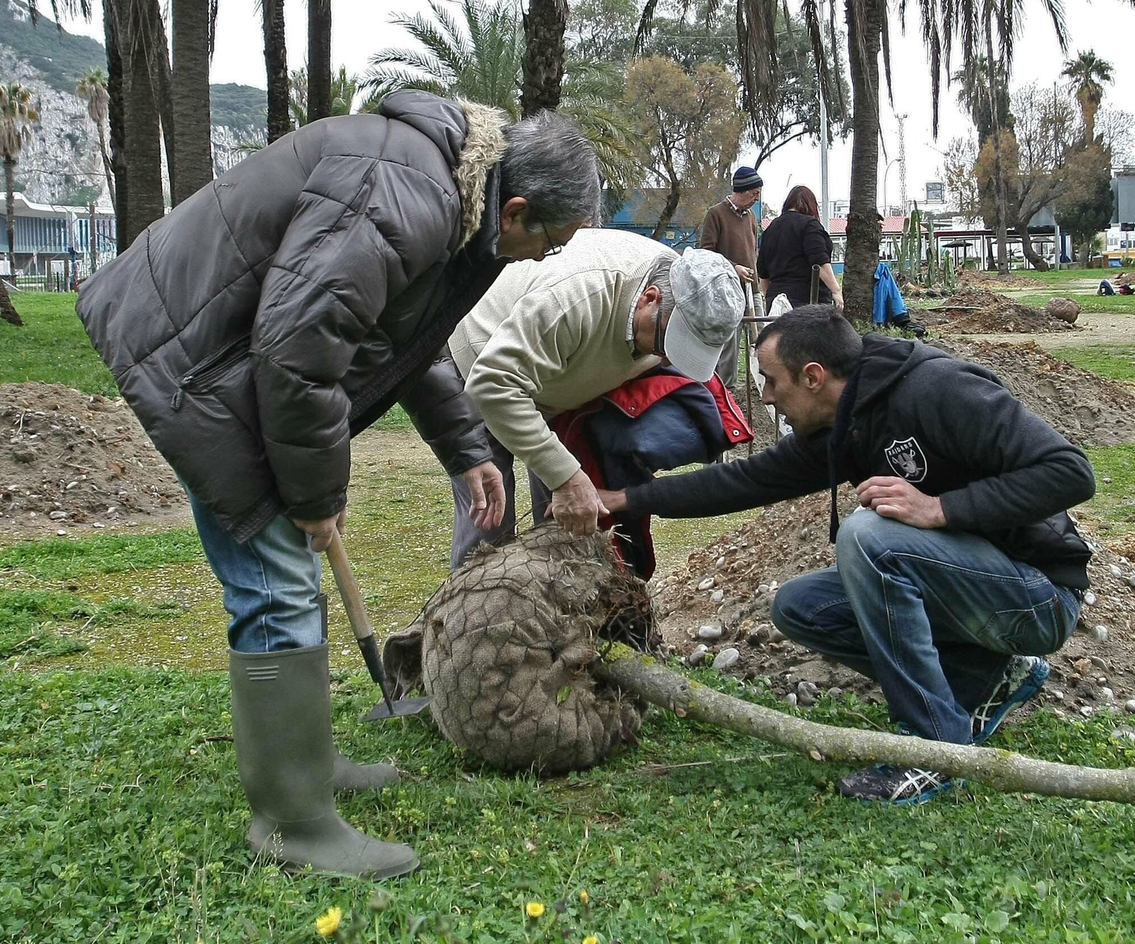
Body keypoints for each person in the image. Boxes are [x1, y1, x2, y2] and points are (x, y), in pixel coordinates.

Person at [78, 89, 602, 878]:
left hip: (231, 358)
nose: (542, 258)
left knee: (284, 578)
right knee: (277, 581)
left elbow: (409, 338)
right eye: (549, 241)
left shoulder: (453, 202)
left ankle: (307, 764)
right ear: (518, 207)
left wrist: (466, 447)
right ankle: (293, 822)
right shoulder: (407, 192)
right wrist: (317, 496)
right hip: (199, 361)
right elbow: (295, 346)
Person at [601, 306, 1093, 804]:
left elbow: (1070, 471)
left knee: (868, 535)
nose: (767, 396)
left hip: (1040, 593)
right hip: (981, 592)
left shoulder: (937, 389)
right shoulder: (846, 424)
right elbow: (745, 481)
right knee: (801, 607)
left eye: (771, 381)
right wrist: (625, 499)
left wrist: (940, 508)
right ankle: (990, 675)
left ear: (813, 376)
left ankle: (934, 748)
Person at [445, 231, 745, 568]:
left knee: (572, 519)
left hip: (559, 380)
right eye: (667, 342)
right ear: (650, 298)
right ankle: (477, 611)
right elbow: (493, 384)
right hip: (482, 366)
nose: (665, 359)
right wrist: (566, 477)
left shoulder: (682, 296)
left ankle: (554, 609)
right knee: (489, 521)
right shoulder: (577, 296)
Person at [698, 165, 763, 387]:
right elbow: (705, 253)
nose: (757, 198)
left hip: (751, 287)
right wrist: (733, 267)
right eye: (754, 193)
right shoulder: (716, 214)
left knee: (761, 336)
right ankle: (726, 388)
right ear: (742, 190)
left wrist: (757, 284)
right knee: (730, 342)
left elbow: (753, 252)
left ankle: (763, 384)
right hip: (726, 289)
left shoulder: (751, 217)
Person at [758, 185, 842, 312]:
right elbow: (819, 261)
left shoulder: (771, 229)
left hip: (775, 300)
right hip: (807, 302)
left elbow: (763, 273)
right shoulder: (809, 225)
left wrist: (766, 299)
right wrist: (836, 291)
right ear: (811, 205)